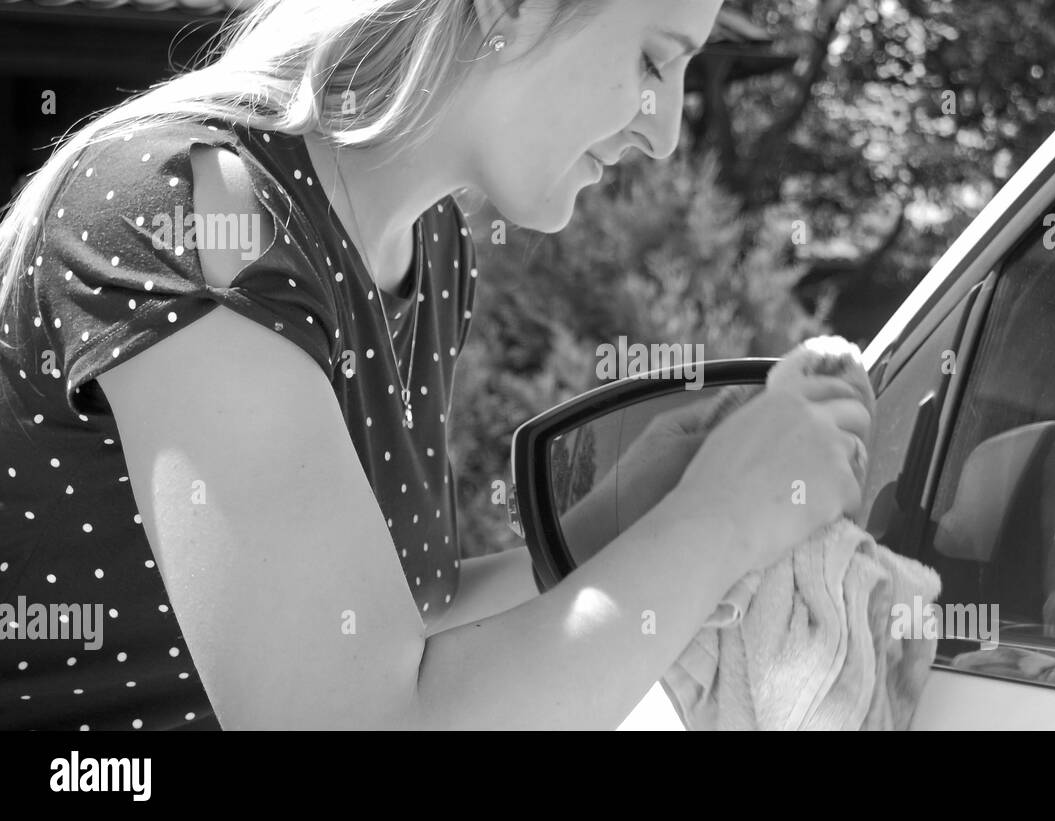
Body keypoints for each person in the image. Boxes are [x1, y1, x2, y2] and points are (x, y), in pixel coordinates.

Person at [0, 0, 872, 730]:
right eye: (652, 60)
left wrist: (632, 513)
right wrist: (722, 519)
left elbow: (393, 632)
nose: (670, 131)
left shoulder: (433, 246)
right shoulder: (199, 205)